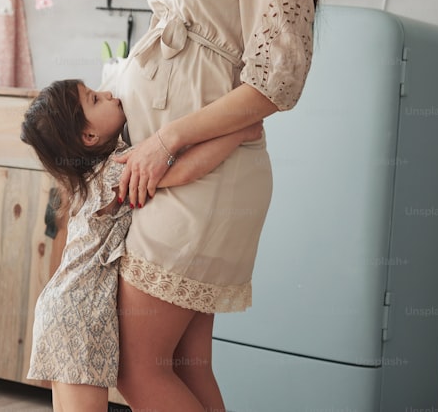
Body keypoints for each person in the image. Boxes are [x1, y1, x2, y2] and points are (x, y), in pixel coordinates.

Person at [110, 0, 322, 411]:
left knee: (137, 367)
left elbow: (272, 85)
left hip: (208, 174)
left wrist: (164, 139)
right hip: (163, 166)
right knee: (181, 365)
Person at [20, 79, 263, 412]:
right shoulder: (116, 168)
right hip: (79, 313)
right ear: (89, 137)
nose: (107, 94)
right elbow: (182, 171)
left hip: (61, 306)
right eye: (94, 98)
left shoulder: (92, 173)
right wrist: (237, 134)